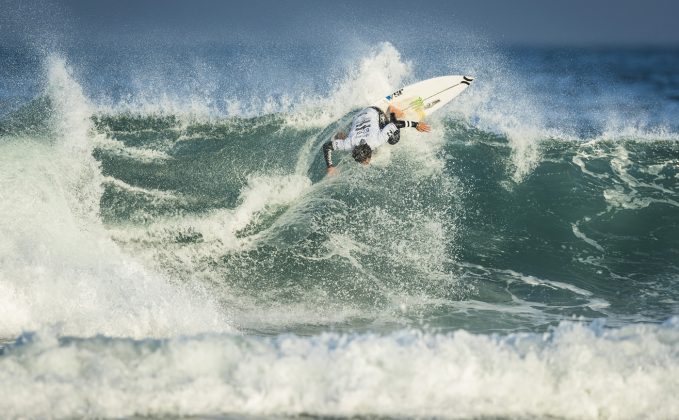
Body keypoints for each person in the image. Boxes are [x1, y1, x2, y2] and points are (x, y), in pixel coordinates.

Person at [322, 105, 431, 174]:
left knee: (393, 140)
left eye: (365, 161)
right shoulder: (349, 144)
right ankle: (342, 135)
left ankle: (393, 111)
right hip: (358, 116)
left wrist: (416, 125)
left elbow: (395, 125)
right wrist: (330, 166)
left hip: (374, 111)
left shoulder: (377, 140)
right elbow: (327, 146)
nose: (366, 163)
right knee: (349, 139)